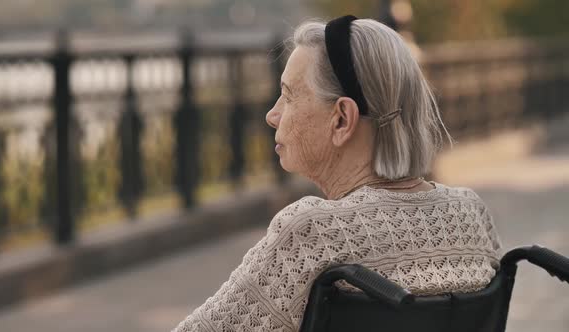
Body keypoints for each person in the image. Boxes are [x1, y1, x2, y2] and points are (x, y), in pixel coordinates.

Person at [172, 15, 502, 332]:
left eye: (288, 96)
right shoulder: (471, 216)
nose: (273, 115)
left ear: (342, 119)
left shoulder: (313, 233)